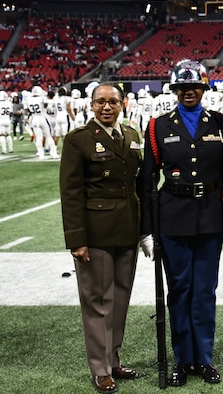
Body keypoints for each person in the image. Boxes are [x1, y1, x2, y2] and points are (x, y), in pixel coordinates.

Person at [139, 60, 223, 387]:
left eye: (194, 86)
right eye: (182, 87)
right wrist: (146, 230)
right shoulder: (157, 126)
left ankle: (203, 359)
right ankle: (182, 359)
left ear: (204, 89)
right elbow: (147, 181)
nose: (188, 91)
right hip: (172, 219)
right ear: (174, 90)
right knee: (179, 292)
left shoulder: (220, 123)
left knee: (204, 292)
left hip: (209, 219)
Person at [60, 82, 143, 394]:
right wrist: (76, 240)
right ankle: (100, 368)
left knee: (120, 299)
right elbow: (70, 194)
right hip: (95, 232)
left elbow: (136, 185)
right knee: (97, 301)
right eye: (100, 103)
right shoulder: (77, 140)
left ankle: (113, 359)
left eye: (113, 102)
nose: (107, 108)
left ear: (122, 104)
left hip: (127, 229)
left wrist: (144, 230)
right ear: (90, 105)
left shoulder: (131, 135)